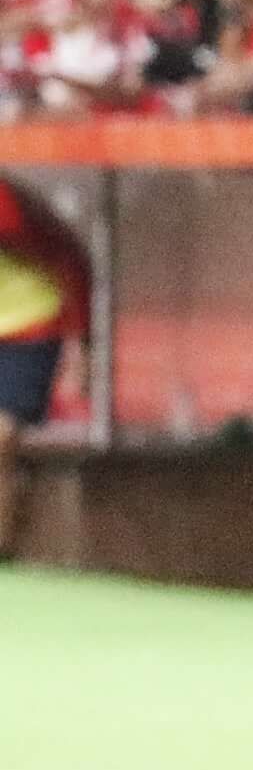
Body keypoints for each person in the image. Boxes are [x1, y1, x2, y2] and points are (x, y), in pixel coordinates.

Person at [0, 171, 87, 557]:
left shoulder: (11, 204)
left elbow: (70, 256)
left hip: (30, 327)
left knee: (1, 439)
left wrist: (81, 342)